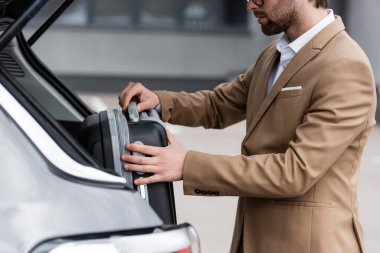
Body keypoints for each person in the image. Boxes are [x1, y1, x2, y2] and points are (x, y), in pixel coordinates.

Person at [119, 0, 376, 252]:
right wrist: (162, 102)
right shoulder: (273, 54)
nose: (250, 6)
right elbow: (219, 105)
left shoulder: (345, 66)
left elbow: (294, 172)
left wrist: (187, 164)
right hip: (252, 237)